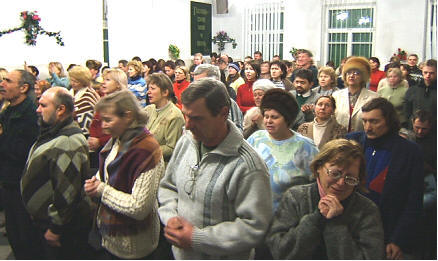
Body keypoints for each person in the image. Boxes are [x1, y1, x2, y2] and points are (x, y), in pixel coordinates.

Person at [158, 78, 272, 259]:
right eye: (185, 115)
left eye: (196, 118)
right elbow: (169, 186)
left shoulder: (248, 166)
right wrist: (170, 217)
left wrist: (198, 238)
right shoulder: (186, 141)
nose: (187, 125)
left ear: (223, 113)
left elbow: (254, 226)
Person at [266, 139, 385, 259]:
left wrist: (336, 223)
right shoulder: (296, 198)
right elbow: (280, 252)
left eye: (350, 179)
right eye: (335, 173)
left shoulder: (367, 210)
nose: (341, 183)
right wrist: (317, 218)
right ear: (318, 167)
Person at [84, 90, 165, 259]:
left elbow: (139, 207)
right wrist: (96, 181)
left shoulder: (146, 150)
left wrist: (101, 190)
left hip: (134, 245)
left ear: (128, 116)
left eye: (108, 120)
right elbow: (108, 172)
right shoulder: (120, 139)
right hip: (111, 238)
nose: (103, 126)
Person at [346, 97, 424, 259]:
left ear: (388, 120)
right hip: (349, 226)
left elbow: (413, 200)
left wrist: (398, 239)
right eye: (365, 121)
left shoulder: (409, 152)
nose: (368, 127)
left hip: (387, 228)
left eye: (374, 121)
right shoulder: (351, 142)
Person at [21, 87, 93, 259]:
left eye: (43, 105)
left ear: (60, 110)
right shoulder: (52, 133)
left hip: (63, 228)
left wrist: (55, 228)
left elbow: (67, 192)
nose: (38, 110)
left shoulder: (68, 142)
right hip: (45, 222)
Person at [247, 88, 319, 211]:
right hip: (254, 212)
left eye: (274, 117)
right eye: (266, 116)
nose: (268, 121)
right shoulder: (256, 139)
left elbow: (317, 184)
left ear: (287, 119)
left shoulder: (306, 147)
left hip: (288, 216)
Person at [0, 69, 43, 259]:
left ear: (24, 88)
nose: (2, 84)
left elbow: (24, 152)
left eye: (8, 81)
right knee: (14, 233)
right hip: (8, 182)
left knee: (25, 236)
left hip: (22, 184)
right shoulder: (8, 110)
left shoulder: (30, 115)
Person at [88, 68, 127, 171]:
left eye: (108, 80)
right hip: (99, 150)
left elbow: (121, 131)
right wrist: (93, 139)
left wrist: (99, 141)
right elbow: (95, 123)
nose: (103, 82)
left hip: (114, 150)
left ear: (118, 84)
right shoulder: (103, 101)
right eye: (104, 79)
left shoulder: (123, 104)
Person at [332, 56, 380, 132]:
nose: (351, 76)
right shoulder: (336, 95)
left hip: (362, 139)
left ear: (363, 77)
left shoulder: (374, 97)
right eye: (349, 73)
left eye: (356, 73)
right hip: (339, 140)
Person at [145, 73, 185, 163]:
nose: (148, 92)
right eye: (148, 88)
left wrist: (146, 151)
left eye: (153, 88)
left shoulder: (175, 115)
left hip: (162, 167)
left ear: (165, 92)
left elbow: (171, 148)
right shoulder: (148, 110)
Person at [193, 64, 244, 132]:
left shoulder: (229, 103)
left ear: (215, 82)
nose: (196, 87)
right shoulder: (192, 104)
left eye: (201, 83)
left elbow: (238, 131)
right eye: (194, 83)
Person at [68, 65, 100, 137]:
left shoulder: (89, 95)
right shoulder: (69, 93)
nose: (72, 83)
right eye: (71, 80)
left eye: (75, 81)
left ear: (83, 81)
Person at [404, 59, 436, 126]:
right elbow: (407, 112)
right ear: (422, 72)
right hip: (414, 128)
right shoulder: (412, 90)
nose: (428, 75)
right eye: (425, 72)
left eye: (431, 73)